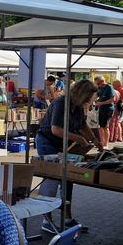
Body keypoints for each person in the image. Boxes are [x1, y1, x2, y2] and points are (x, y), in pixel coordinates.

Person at [36, 79, 99, 234]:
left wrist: (94, 139)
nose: (87, 102)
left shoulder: (77, 106)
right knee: (52, 180)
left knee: (68, 179)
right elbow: (55, 129)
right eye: (87, 98)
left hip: (65, 144)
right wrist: (78, 138)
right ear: (81, 94)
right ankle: (46, 219)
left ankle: (67, 218)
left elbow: (83, 124)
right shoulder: (60, 103)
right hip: (48, 142)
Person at [93, 76, 115, 149]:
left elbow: (112, 99)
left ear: (102, 81)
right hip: (101, 109)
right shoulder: (100, 88)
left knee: (105, 127)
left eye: (98, 84)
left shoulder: (109, 87)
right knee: (101, 126)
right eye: (96, 84)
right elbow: (96, 96)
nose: (98, 85)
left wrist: (101, 103)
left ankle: (106, 144)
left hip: (108, 109)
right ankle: (101, 143)